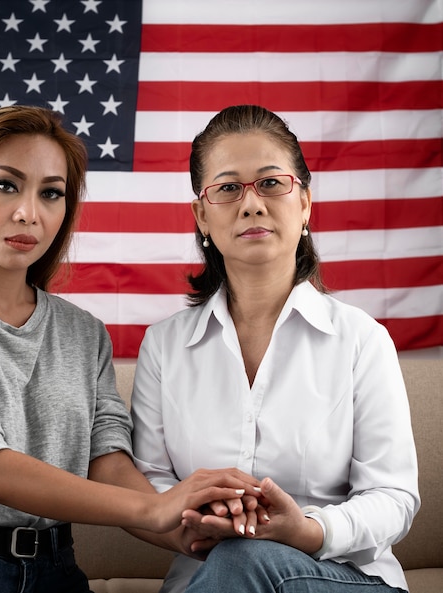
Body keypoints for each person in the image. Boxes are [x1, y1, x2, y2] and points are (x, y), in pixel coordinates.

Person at [0, 105, 260, 593]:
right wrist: (155, 506)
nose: (28, 212)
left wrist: (186, 531)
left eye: (51, 193)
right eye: (6, 184)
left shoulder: (83, 332)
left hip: (56, 572)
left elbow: (106, 460)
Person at [130, 104, 420, 593]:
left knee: (246, 559)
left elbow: (393, 497)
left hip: (341, 577)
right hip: (207, 573)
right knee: (236, 560)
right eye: (227, 188)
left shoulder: (361, 339)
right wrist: (201, 519)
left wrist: (307, 531)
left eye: (270, 183)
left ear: (304, 202)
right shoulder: (164, 346)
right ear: (202, 214)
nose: (251, 204)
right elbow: (150, 481)